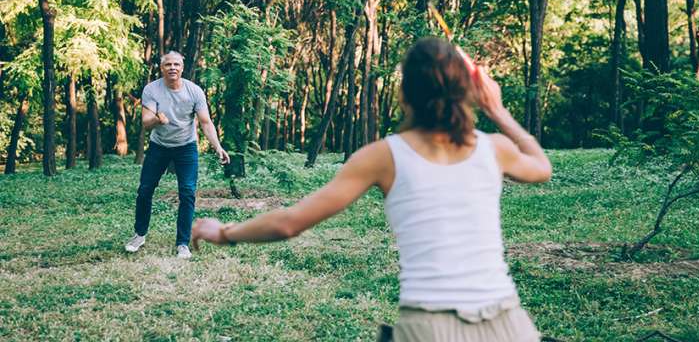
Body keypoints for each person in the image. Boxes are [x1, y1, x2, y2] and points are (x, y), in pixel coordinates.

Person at [192, 37, 551, 340]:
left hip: (429, 326)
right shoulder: (495, 148)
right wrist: (498, 110)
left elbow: (290, 222)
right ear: (467, 91)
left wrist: (225, 232)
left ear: (404, 93)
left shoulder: (384, 156)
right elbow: (542, 168)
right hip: (508, 324)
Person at [125, 51, 230, 259]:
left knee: (188, 193)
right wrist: (157, 120)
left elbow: (205, 122)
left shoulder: (194, 91)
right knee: (145, 190)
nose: (172, 68)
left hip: (186, 147)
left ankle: (182, 243)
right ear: (161, 68)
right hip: (159, 146)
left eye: (176, 64)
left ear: (182, 68)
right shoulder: (152, 89)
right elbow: (146, 122)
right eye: (168, 65)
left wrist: (218, 147)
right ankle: (139, 235)